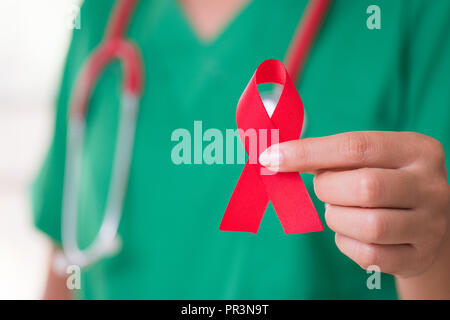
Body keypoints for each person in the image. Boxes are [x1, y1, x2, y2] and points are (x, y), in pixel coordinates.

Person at [33, 0, 450, 299]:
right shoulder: (101, 16)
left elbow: (426, 247)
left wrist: (433, 253)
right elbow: (64, 258)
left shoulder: (415, 15)